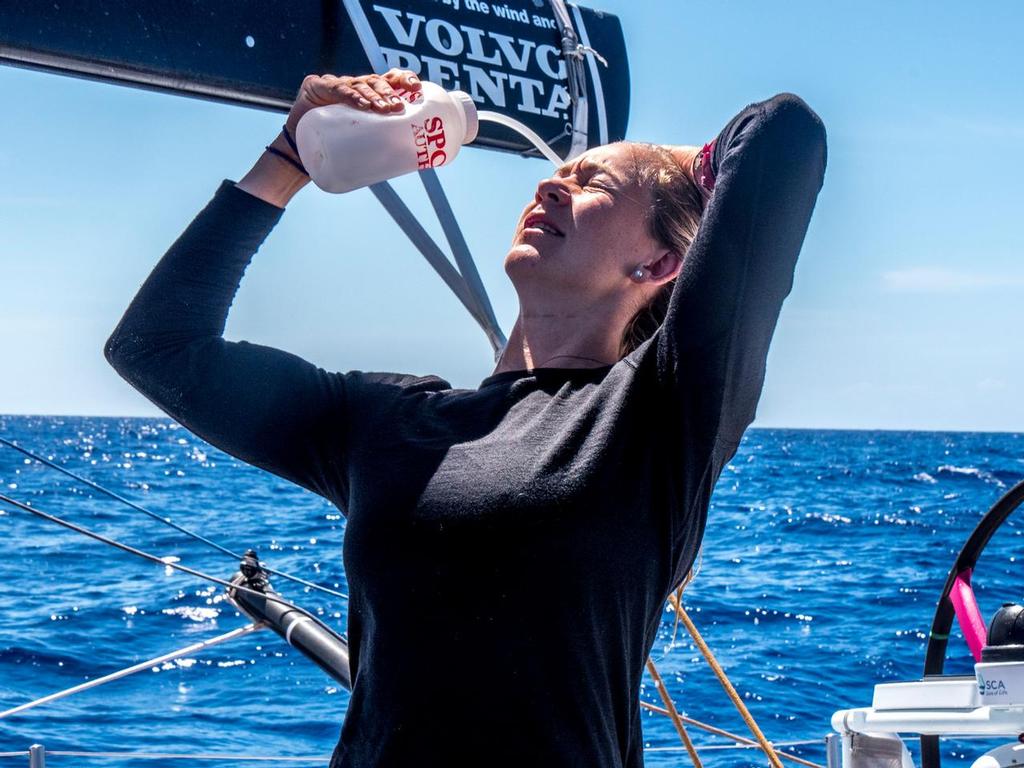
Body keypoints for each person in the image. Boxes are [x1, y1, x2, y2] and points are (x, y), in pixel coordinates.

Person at [105, 68, 827, 767]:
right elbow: (157, 348)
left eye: (591, 183)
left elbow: (783, 134)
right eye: (559, 174)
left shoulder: (661, 411)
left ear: (663, 263)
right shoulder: (382, 419)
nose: (550, 183)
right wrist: (291, 153)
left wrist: (670, 168)